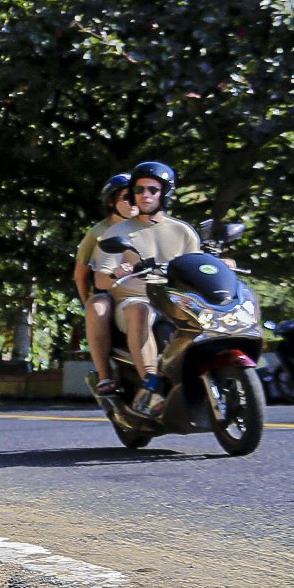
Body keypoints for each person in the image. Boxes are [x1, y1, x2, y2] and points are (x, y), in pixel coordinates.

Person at [91, 160, 201, 413]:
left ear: (165, 194)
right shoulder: (117, 233)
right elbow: (100, 279)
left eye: (152, 189)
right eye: (139, 190)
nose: (145, 195)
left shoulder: (184, 232)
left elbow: (195, 267)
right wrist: (117, 272)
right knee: (139, 309)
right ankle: (149, 385)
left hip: (174, 301)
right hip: (134, 301)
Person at [74, 174, 136, 397]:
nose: (135, 201)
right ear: (112, 202)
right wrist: (87, 304)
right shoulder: (97, 233)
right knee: (97, 307)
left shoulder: (153, 225)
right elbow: (81, 275)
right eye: (128, 197)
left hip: (148, 288)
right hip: (110, 290)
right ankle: (105, 375)